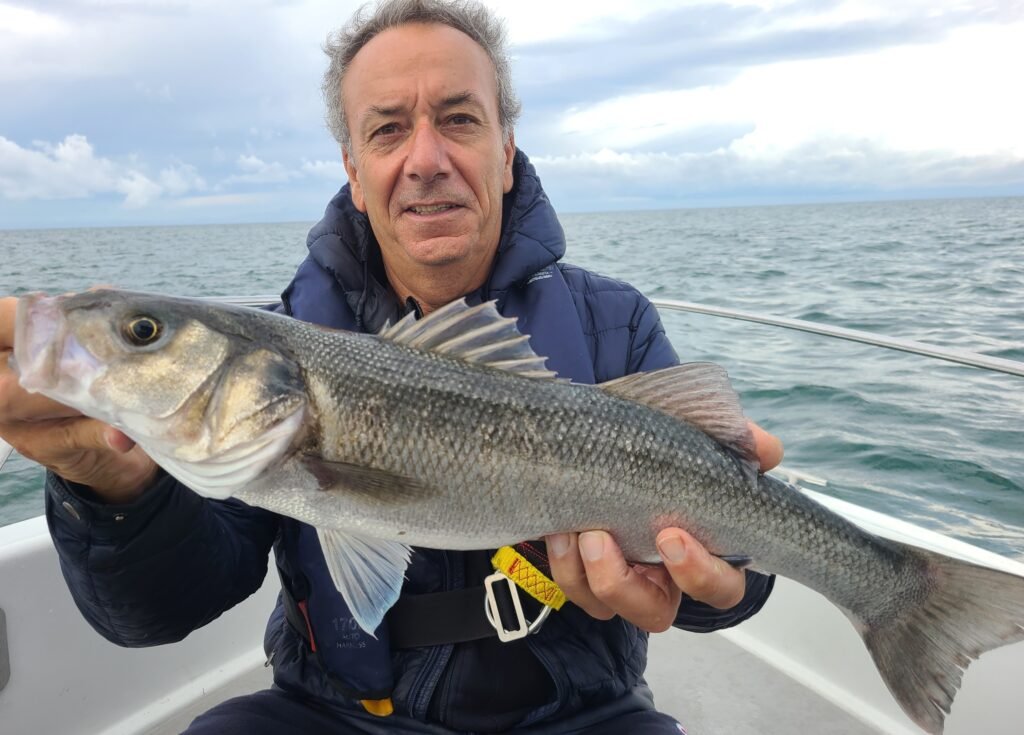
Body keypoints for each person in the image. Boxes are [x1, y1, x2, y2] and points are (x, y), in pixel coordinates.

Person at [0, 1, 782, 732]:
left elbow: (735, 562)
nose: (426, 158)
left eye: (459, 119)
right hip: (331, 707)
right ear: (353, 170)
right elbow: (158, 611)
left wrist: (720, 588)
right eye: (387, 130)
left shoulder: (616, 325)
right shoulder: (288, 344)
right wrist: (113, 491)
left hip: (583, 712)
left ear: (506, 153)